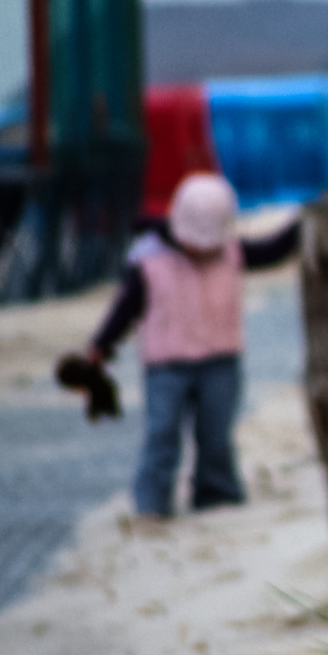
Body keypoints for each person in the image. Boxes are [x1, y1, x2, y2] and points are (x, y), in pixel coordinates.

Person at [86, 173, 299, 519]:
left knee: (216, 435)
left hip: (220, 359)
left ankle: (217, 495)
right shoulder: (149, 259)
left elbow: (272, 250)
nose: (202, 250)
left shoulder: (231, 252)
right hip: (166, 364)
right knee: (162, 433)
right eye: (196, 243)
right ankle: (152, 504)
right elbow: (125, 308)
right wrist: (101, 344)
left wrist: (300, 228)